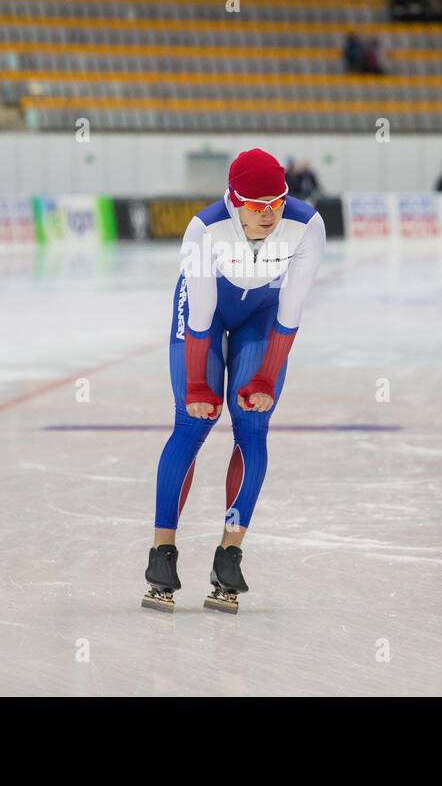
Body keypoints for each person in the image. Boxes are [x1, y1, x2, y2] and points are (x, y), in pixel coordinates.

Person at [143, 148, 326, 615]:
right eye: (256, 204)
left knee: (252, 423)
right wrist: (196, 390)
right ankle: (163, 553)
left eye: (277, 203)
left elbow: (290, 312)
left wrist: (265, 375)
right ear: (233, 200)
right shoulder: (205, 230)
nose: (269, 214)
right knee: (192, 423)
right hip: (207, 308)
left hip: (262, 315)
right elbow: (200, 319)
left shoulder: (307, 226)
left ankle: (230, 553)